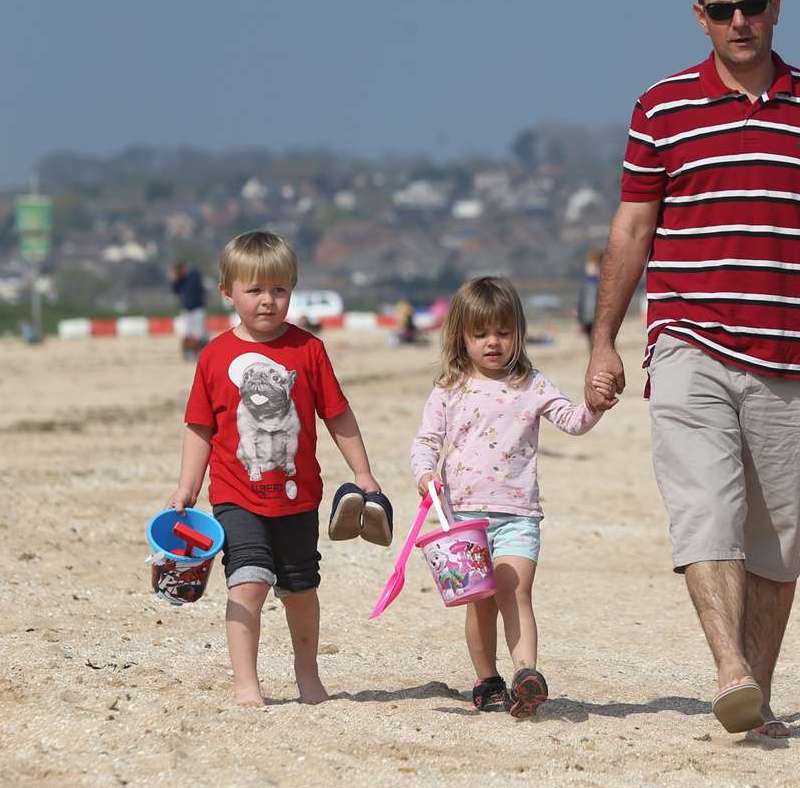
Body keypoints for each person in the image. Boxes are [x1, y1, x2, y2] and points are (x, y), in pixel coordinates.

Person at [583, 0, 800, 738]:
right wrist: (605, 340)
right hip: (689, 337)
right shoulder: (661, 106)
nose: (740, 22)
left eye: (752, 6)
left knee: (775, 537)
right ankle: (730, 668)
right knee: (705, 508)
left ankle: (757, 695)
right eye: (724, 11)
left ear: (777, 5)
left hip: (790, 348)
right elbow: (633, 224)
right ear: (701, 18)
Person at [165, 230, 387, 707]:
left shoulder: (309, 351)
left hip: (297, 496)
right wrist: (186, 488)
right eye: (255, 290)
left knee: (300, 591)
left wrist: (363, 472)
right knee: (247, 583)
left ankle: (307, 676)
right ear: (228, 292)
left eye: (279, 290)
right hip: (234, 495)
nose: (268, 301)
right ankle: (247, 684)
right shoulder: (213, 356)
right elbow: (199, 428)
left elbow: (337, 414)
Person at [411, 276, 616, 719]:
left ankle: (527, 675)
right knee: (480, 603)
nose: (493, 343)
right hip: (463, 518)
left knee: (516, 592)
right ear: (460, 336)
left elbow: (573, 421)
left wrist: (595, 404)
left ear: (517, 333)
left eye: (503, 333)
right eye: (481, 334)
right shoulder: (450, 387)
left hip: (518, 513)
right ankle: (487, 681)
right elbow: (426, 441)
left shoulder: (532, 383)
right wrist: (424, 474)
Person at [170, 261, 208, 362]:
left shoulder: (194, 275)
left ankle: (203, 354)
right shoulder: (180, 281)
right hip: (186, 310)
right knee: (187, 334)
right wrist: (175, 279)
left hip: (198, 308)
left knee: (200, 334)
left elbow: (199, 286)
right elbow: (175, 290)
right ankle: (189, 355)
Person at [576, 248, 603, 344]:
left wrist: (579, 319)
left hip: (594, 319)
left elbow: (582, 303)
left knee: (597, 345)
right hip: (590, 319)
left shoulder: (593, 283)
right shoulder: (589, 283)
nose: (587, 267)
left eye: (589, 264)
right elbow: (581, 303)